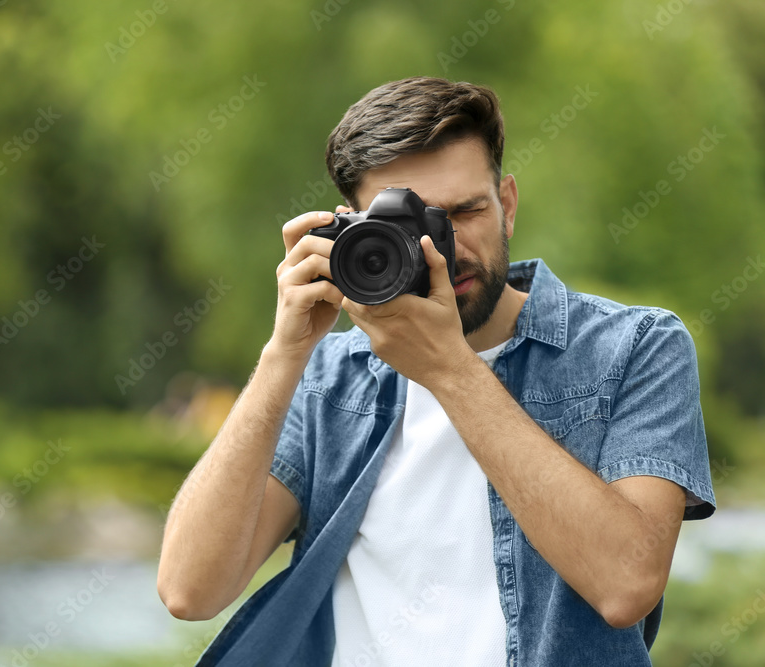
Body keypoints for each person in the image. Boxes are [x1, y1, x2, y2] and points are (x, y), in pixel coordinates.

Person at [157, 76, 715, 666]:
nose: (443, 248)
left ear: (508, 203)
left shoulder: (635, 348)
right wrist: (283, 355)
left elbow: (626, 585)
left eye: (465, 211)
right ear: (352, 232)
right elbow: (190, 590)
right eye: (411, 224)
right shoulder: (328, 377)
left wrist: (449, 368)